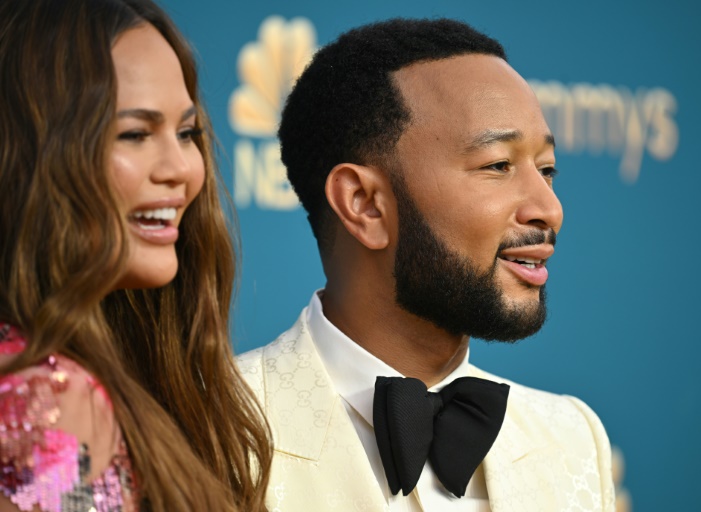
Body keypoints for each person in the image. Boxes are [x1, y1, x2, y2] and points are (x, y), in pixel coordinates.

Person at [238, 17, 615, 512]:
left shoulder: (572, 441)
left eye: (546, 170)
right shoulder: (206, 428)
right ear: (365, 204)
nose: (550, 209)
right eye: (498, 165)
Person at [0, 0, 271, 511]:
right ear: (29, 156)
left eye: (186, 133)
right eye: (135, 134)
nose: (181, 169)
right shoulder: (45, 398)